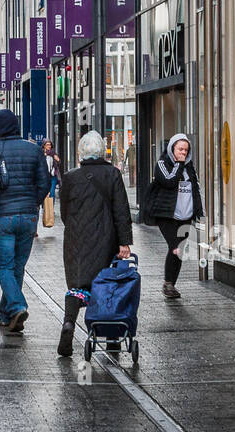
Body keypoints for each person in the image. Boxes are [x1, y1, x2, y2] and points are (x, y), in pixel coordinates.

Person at [56, 130, 133, 357]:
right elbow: (121, 210)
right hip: (106, 240)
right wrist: (124, 242)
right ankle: (111, 338)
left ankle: (69, 323)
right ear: (102, 151)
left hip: (76, 242)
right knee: (108, 286)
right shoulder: (112, 174)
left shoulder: (70, 177)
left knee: (79, 286)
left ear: (81, 153)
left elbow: (65, 213)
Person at [0, 109, 51, 331]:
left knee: (4, 266)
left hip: (1, 217)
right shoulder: (34, 150)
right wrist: (34, 202)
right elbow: (44, 182)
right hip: (29, 215)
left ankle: (18, 305)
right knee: (18, 266)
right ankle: (7, 314)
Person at [141, 133, 204, 299]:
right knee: (175, 247)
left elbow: (195, 190)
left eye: (186, 150)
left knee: (179, 250)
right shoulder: (163, 164)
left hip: (186, 216)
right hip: (166, 215)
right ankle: (168, 284)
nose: (183, 153)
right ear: (172, 149)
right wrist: (178, 164)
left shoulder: (189, 167)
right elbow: (169, 181)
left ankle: (170, 284)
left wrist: (198, 211)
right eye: (180, 149)